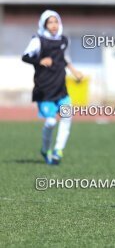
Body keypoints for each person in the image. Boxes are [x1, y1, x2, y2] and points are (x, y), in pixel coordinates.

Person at [22, 10, 83, 165]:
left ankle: (58, 151)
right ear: (44, 24)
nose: (54, 25)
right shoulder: (38, 40)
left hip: (61, 88)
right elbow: (25, 56)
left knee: (67, 117)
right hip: (44, 89)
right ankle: (45, 149)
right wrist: (40, 61)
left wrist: (74, 70)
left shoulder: (63, 40)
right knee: (50, 122)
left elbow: (63, 57)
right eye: (50, 22)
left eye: (56, 22)